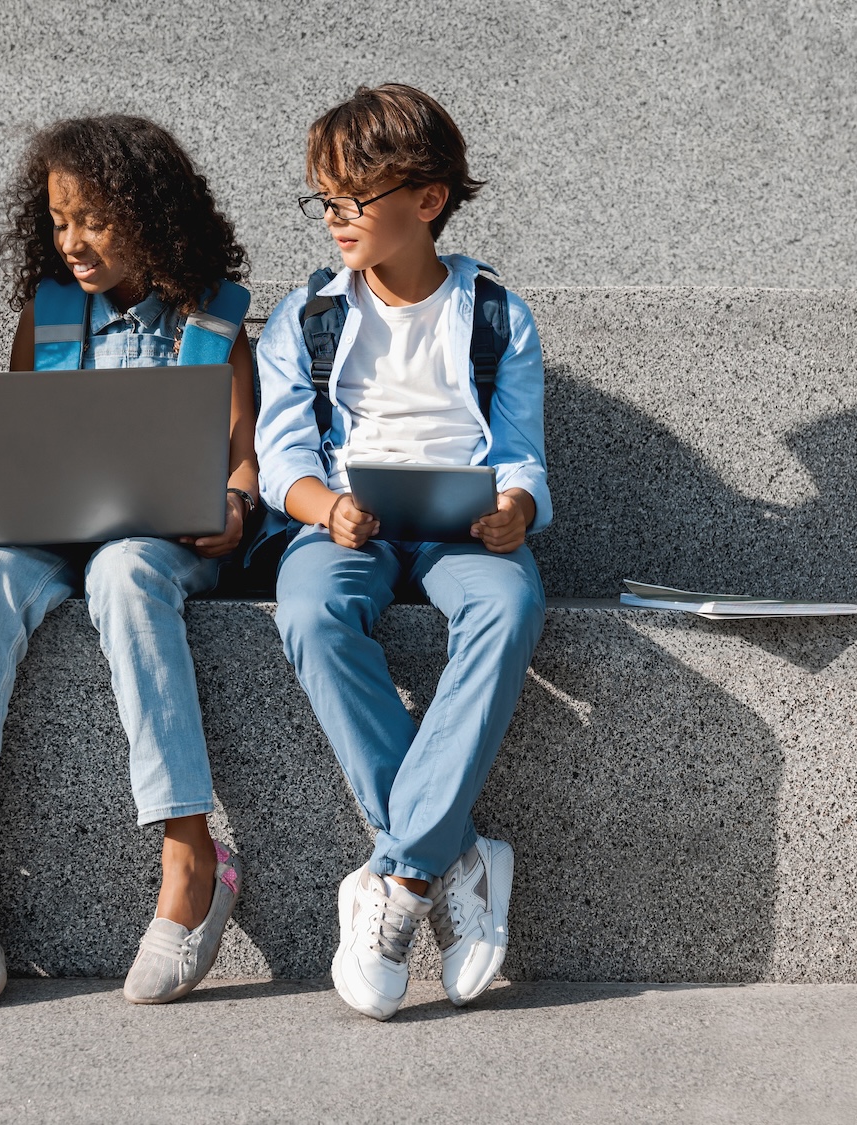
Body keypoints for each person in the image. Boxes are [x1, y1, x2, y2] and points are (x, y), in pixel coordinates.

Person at [0, 115, 256, 1008]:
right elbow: (26, 443)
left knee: (121, 573)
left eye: (95, 219)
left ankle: (190, 852)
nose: (73, 240)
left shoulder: (216, 317)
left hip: (158, 546)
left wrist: (236, 503)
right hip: (46, 537)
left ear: (152, 215)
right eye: (61, 219)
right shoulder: (48, 315)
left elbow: (244, 455)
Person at [255, 84, 551, 1020]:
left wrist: (516, 508)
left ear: (427, 201)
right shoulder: (308, 315)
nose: (336, 220)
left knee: (507, 605)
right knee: (307, 606)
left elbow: (522, 452)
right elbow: (281, 456)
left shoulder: (497, 311)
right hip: (351, 517)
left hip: (464, 522)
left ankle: (397, 877)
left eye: (355, 199)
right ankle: (453, 855)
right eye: (325, 200)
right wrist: (325, 507)